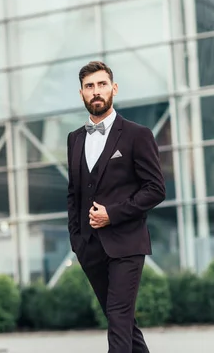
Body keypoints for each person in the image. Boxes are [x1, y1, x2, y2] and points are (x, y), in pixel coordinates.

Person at [66, 61, 166, 353]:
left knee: (119, 323)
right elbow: (73, 193)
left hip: (126, 245)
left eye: (101, 84)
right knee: (122, 324)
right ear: (82, 93)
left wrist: (113, 214)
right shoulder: (74, 139)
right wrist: (77, 239)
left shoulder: (137, 135)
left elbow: (156, 189)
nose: (96, 91)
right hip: (89, 246)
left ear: (114, 88)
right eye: (89, 86)